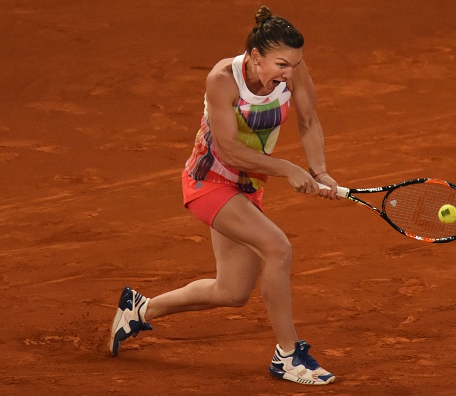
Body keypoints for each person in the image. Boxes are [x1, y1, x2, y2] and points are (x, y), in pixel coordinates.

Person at [109, 5, 338, 385]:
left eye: (295, 65)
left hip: (248, 187)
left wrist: (320, 171)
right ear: (254, 58)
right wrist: (287, 168)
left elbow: (309, 120)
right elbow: (229, 150)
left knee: (231, 291)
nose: (290, 73)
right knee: (278, 249)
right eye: (282, 65)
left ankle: (139, 310)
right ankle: (288, 356)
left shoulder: (292, 73)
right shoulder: (222, 79)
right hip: (209, 182)